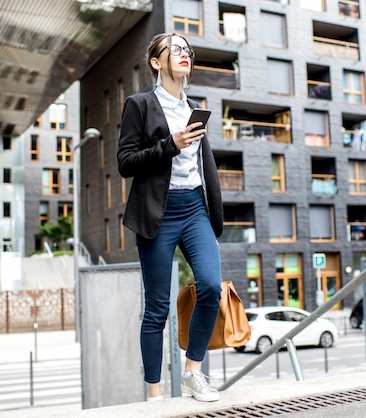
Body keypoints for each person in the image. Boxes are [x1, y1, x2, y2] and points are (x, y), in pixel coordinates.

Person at [117, 33, 224, 402]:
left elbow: (201, 163)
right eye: (175, 49)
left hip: (194, 207)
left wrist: (215, 207)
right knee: (158, 307)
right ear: (155, 61)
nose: (184, 55)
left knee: (211, 286)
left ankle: (193, 371)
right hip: (157, 212)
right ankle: (154, 394)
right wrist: (170, 144)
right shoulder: (140, 104)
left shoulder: (195, 107)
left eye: (187, 51)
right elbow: (125, 162)